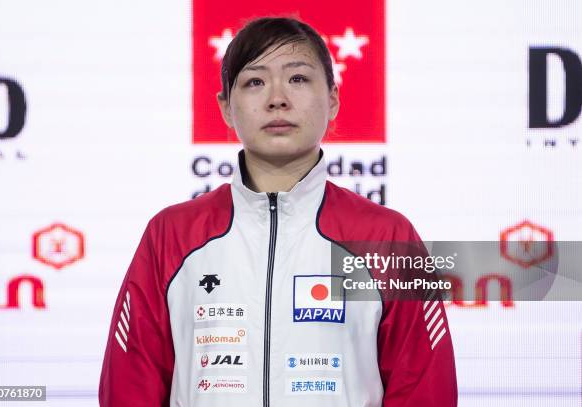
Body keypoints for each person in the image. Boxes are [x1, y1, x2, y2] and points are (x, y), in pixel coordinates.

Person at [99, 16, 457, 406]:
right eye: (255, 81)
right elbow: (130, 385)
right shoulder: (171, 234)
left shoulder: (386, 236)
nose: (277, 98)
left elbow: (425, 388)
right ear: (225, 107)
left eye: (298, 79)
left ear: (333, 98)